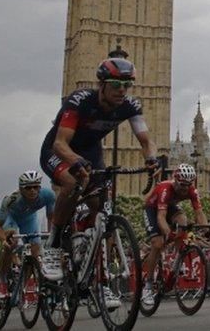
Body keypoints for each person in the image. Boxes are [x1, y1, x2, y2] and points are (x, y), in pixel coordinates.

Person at [38, 57, 159, 280]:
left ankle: (97, 270)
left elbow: (146, 141)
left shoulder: (130, 106)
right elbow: (59, 143)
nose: (121, 90)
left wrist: (152, 158)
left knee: (103, 207)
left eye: (126, 85)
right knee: (72, 182)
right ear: (101, 84)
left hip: (91, 152)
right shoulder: (80, 101)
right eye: (115, 84)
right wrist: (75, 160)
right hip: (59, 151)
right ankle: (53, 243)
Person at [140, 164, 208, 308]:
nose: (185, 188)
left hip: (170, 207)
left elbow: (199, 213)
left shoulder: (192, 190)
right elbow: (160, 217)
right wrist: (169, 234)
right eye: (182, 184)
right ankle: (148, 285)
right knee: (158, 243)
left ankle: (178, 259)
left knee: (183, 221)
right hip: (152, 209)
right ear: (176, 180)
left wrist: (206, 229)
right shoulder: (165, 189)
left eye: (188, 185)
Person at [0, 170, 55, 299]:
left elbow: (51, 219)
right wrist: (4, 240)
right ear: (21, 189)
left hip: (29, 219)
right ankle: (2, 281)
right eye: (28, 187)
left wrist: (51, 237)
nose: (32, 190)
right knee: (11, 244)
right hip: (11, 218)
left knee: (35, 253)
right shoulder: (11, 200)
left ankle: (20, 286)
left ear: (40, 187)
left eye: (36, 187)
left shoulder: (48, 195)